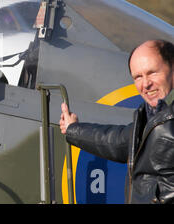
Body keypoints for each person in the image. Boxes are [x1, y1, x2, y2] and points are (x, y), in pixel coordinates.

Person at [60, 39, 174, 204]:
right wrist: (73, 129)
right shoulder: (152, 115)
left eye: (152, 73)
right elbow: (119, 141)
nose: (146, 84)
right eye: (138, 77)